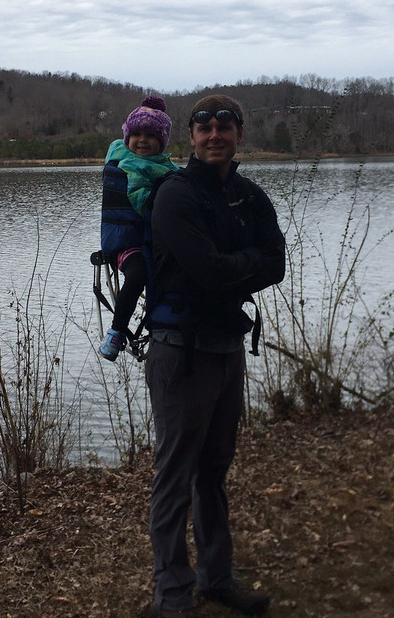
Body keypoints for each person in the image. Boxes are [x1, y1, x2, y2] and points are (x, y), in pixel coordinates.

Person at [142, 94, 286, 617]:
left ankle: (216, 578)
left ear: (239, 134)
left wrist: (235, 263)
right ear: (191, 136)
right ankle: (172, 597)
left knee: (214, 473)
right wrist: (241, 264)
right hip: (179, 353)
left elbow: (277, 265)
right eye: (204, 127)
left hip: (228, 350)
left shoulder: (251, 197)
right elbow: (209, 270)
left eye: (225, 126)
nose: (214, 134)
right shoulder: (174, 196)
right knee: (175, 477)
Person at [98, 95, 177, 361]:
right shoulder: (130, 164)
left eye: (150, 136)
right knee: (137, 276)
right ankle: (117, 332)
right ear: (127, 137)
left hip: (153, 243)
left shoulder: (164, 167)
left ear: (162, 142)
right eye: (137, 134)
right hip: (127, 244)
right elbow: (140, 198)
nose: (142, 140)